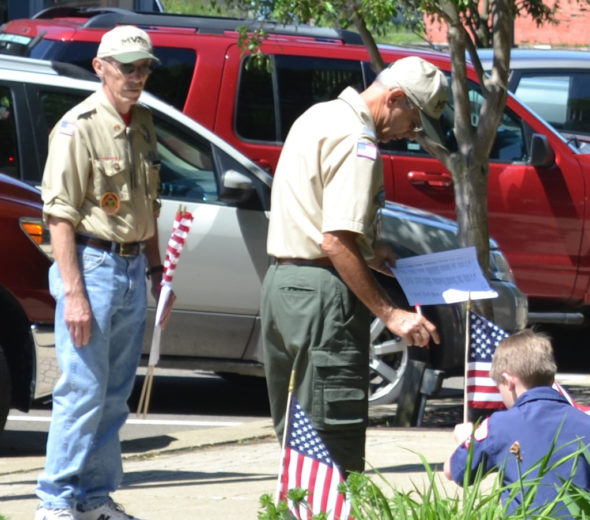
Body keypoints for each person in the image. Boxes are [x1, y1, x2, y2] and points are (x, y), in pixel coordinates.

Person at [261, 56, 447, 474]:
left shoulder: (319, 115)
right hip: (323, 295)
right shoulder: (358, 140)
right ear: (395, 98)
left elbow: (317, 217)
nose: (409, 135)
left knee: (298, 437)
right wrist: (392, 314)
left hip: (282, 283)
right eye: (413, 122)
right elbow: (334, 240)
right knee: (333, 441)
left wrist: (369, 250)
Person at [35, 26, 174, 520]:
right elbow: (60, 218)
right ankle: (55, 503)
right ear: (101, 67)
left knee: (114, 397)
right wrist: (73, 293)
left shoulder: (143, 123)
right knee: (82, 392)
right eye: (127, 67)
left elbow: (147, 206)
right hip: (91, 268)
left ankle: (93, 499)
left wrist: (157, 270)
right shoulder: (78, 126)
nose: (137, 77)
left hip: (133, 266)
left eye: (144, 68)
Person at [444, 329, 590, 517]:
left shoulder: (499, 425)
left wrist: (465, 440)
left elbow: (454, 471)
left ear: (508, 381)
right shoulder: (585, 421)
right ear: (552, 378)